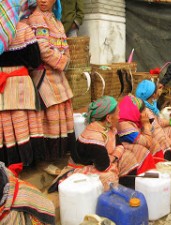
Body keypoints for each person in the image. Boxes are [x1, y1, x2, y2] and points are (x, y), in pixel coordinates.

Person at [49, 96, 139, 192]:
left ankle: (127, 191)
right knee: (109, 177)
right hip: (82, 167)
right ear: (108, 118)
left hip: (103, 161)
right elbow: (103, 165)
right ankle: (110, 199)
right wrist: (114, 157)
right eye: (118, 114)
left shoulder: (108, 129)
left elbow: (120, 146)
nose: (119, 117)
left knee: (129, 158)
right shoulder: (94, 137)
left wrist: (113, 157)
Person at [28, 0, 76, 162]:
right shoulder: (36, 18)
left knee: (63, 111)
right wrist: (62, 61)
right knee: (52, 114)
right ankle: (49, 158)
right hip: (45, 76)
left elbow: (65, 47)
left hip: (58, 76)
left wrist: (66, 59)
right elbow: (42, 49)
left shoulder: (57, 22)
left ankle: (61, 156)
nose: (43, 0)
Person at [0, 0, 45, 168]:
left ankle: (7, 162)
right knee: (24, 120)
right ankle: (28, 162)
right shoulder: (24, 29)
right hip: (20, 84)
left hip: (1, 86)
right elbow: (35, 60)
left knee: (5, 124)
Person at [136, 79, 171, 160]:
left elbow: (158, 121)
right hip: (150, 134)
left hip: (155, 130)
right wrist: (167, 141)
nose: (159, 91)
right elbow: (155, 128)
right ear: (153, 94)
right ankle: (169, 158)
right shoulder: (146, 110)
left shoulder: (152, 105)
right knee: (162, 138)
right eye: (157, 89)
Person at [118, 94, 159, 169]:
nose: (145, 114)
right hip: (126, 153)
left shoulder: (133, 122)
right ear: (136, 111)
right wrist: (146, 125)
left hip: (134, 148)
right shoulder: (124, 126)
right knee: (143, 151)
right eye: (143, 111)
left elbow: (151, 134)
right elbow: (147, 143)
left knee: (155, 143)